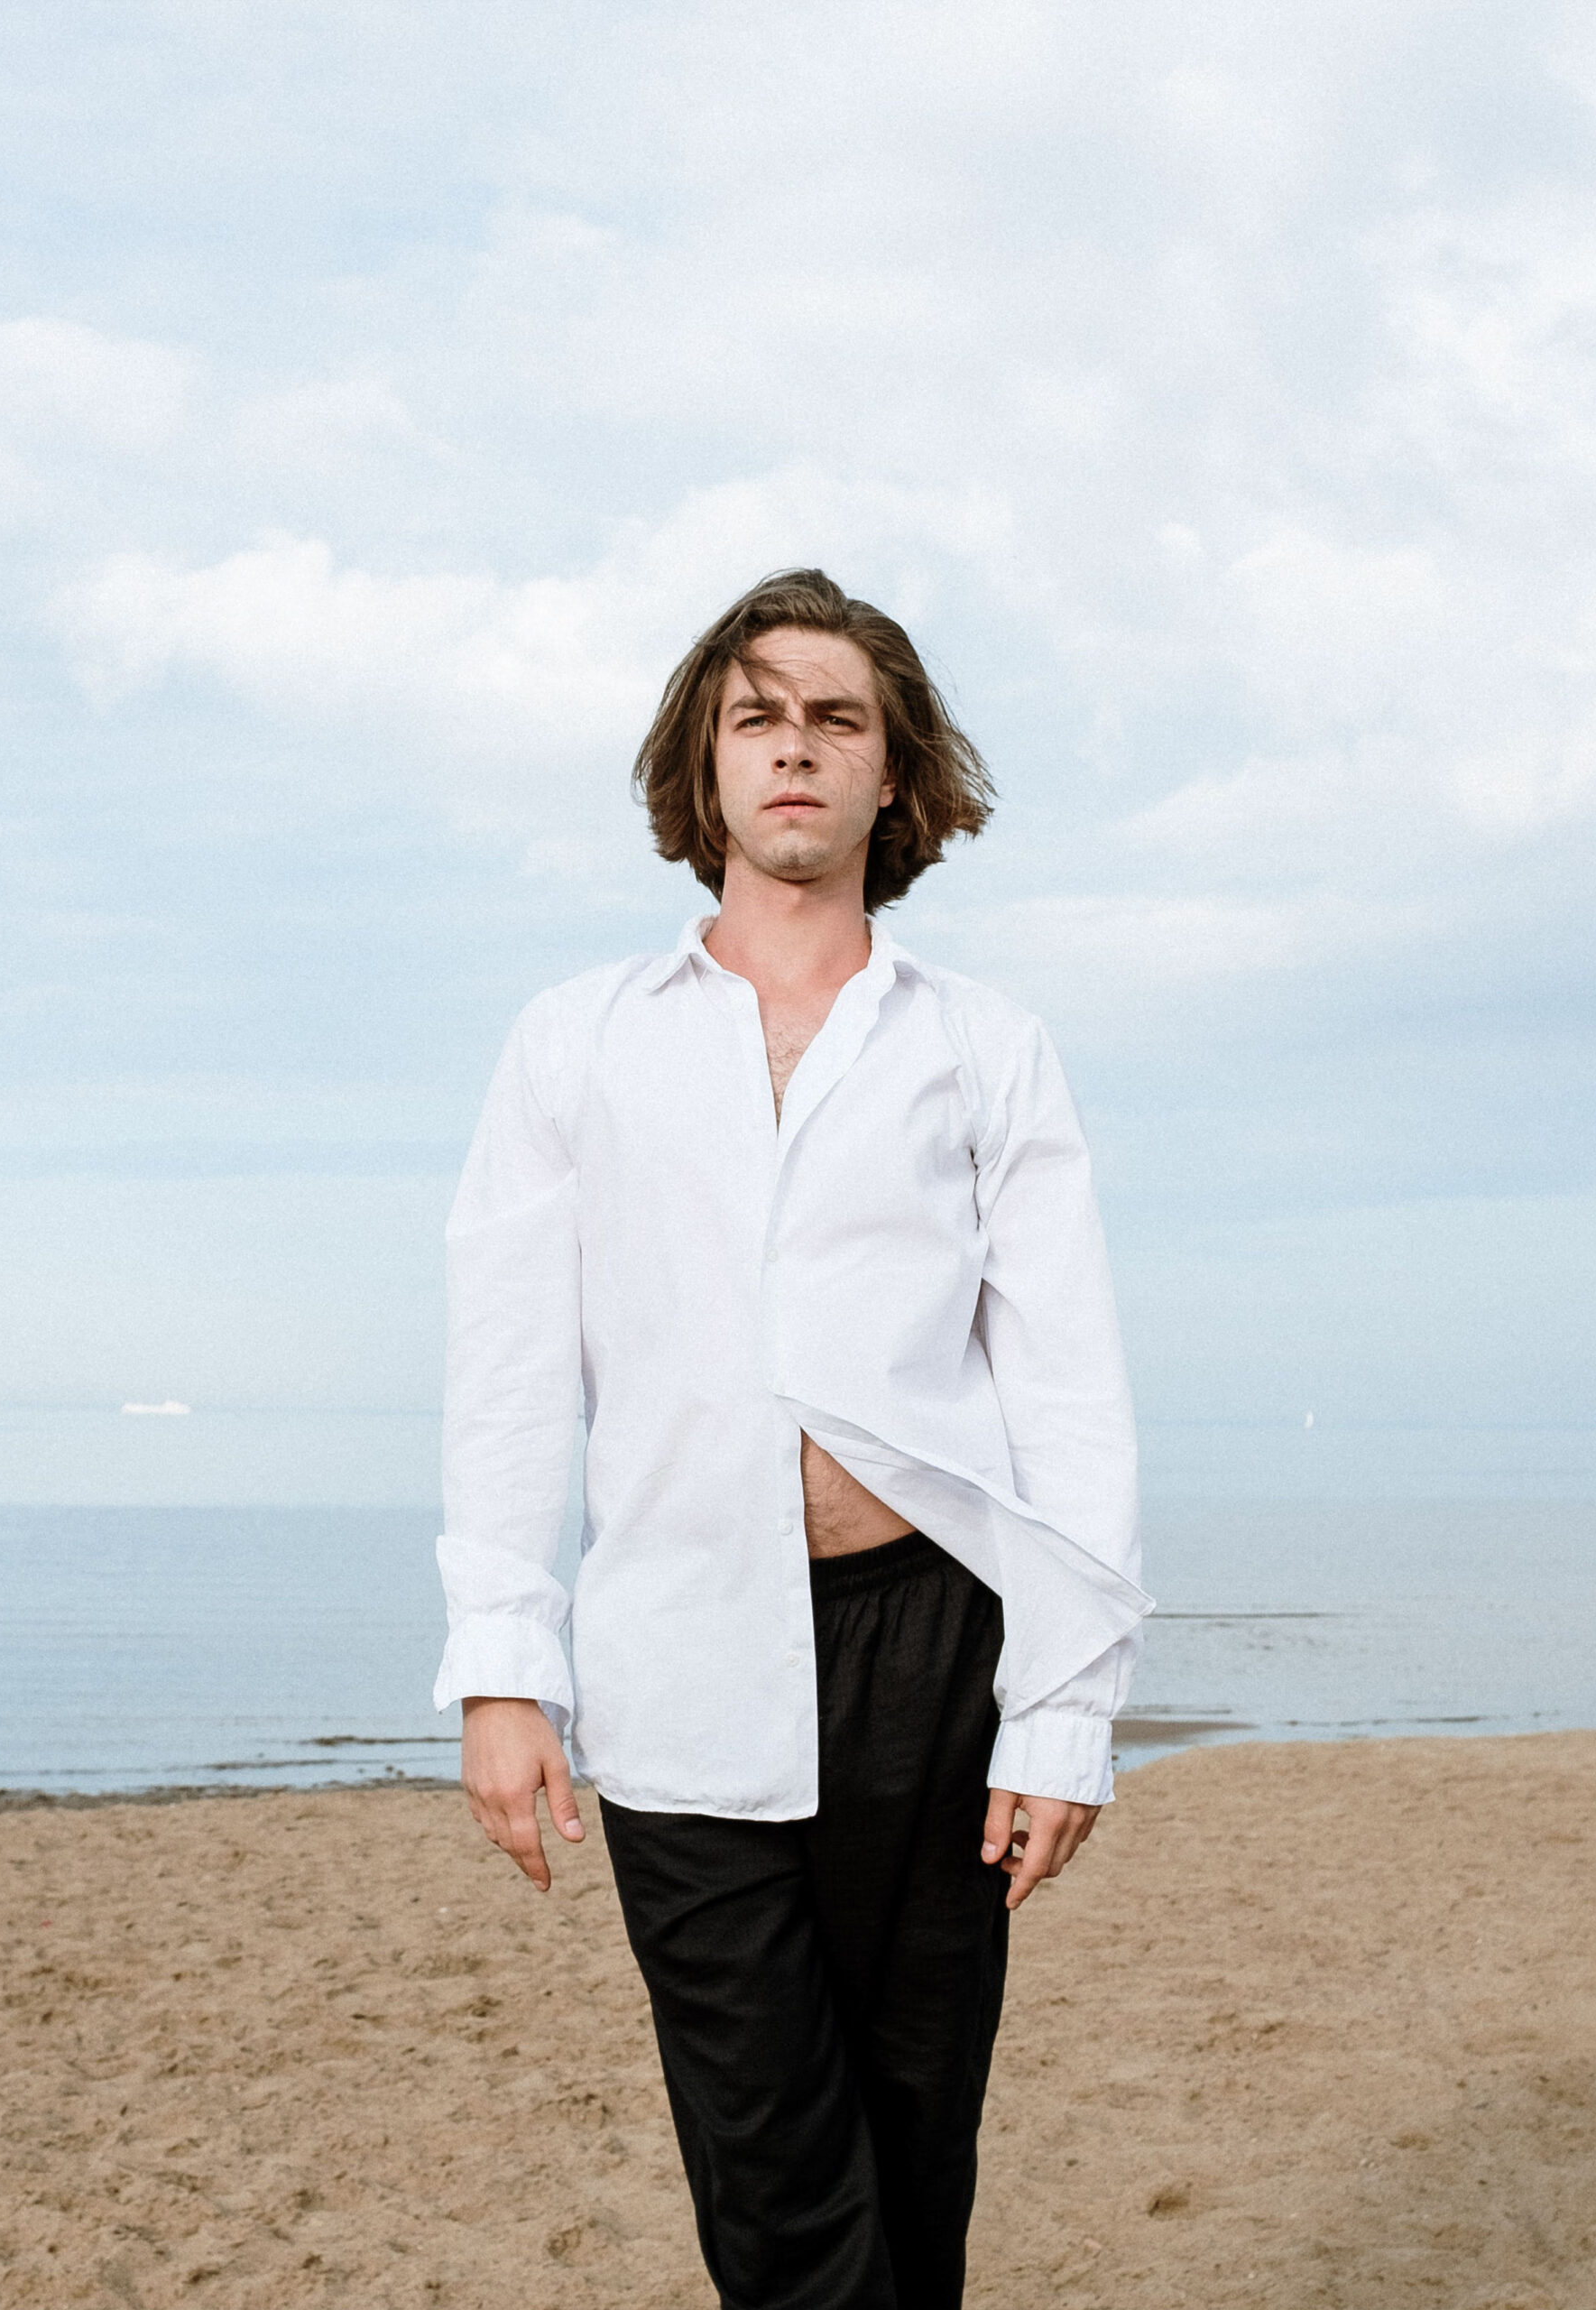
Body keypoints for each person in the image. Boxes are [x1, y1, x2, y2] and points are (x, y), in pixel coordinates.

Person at [435, 568, 1149, 2310]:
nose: (796, 748)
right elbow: (511, 1370)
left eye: (837, 719)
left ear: (894, 774)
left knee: (916, 2143)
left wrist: (1066, 1712)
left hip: (933, 1646)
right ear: (706, 764)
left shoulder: (984, 1049)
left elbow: (1066, 1390)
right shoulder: (575, 1042)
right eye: (757, 717)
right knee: (771, 2170)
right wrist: (503, 1673)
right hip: (677, 1641)